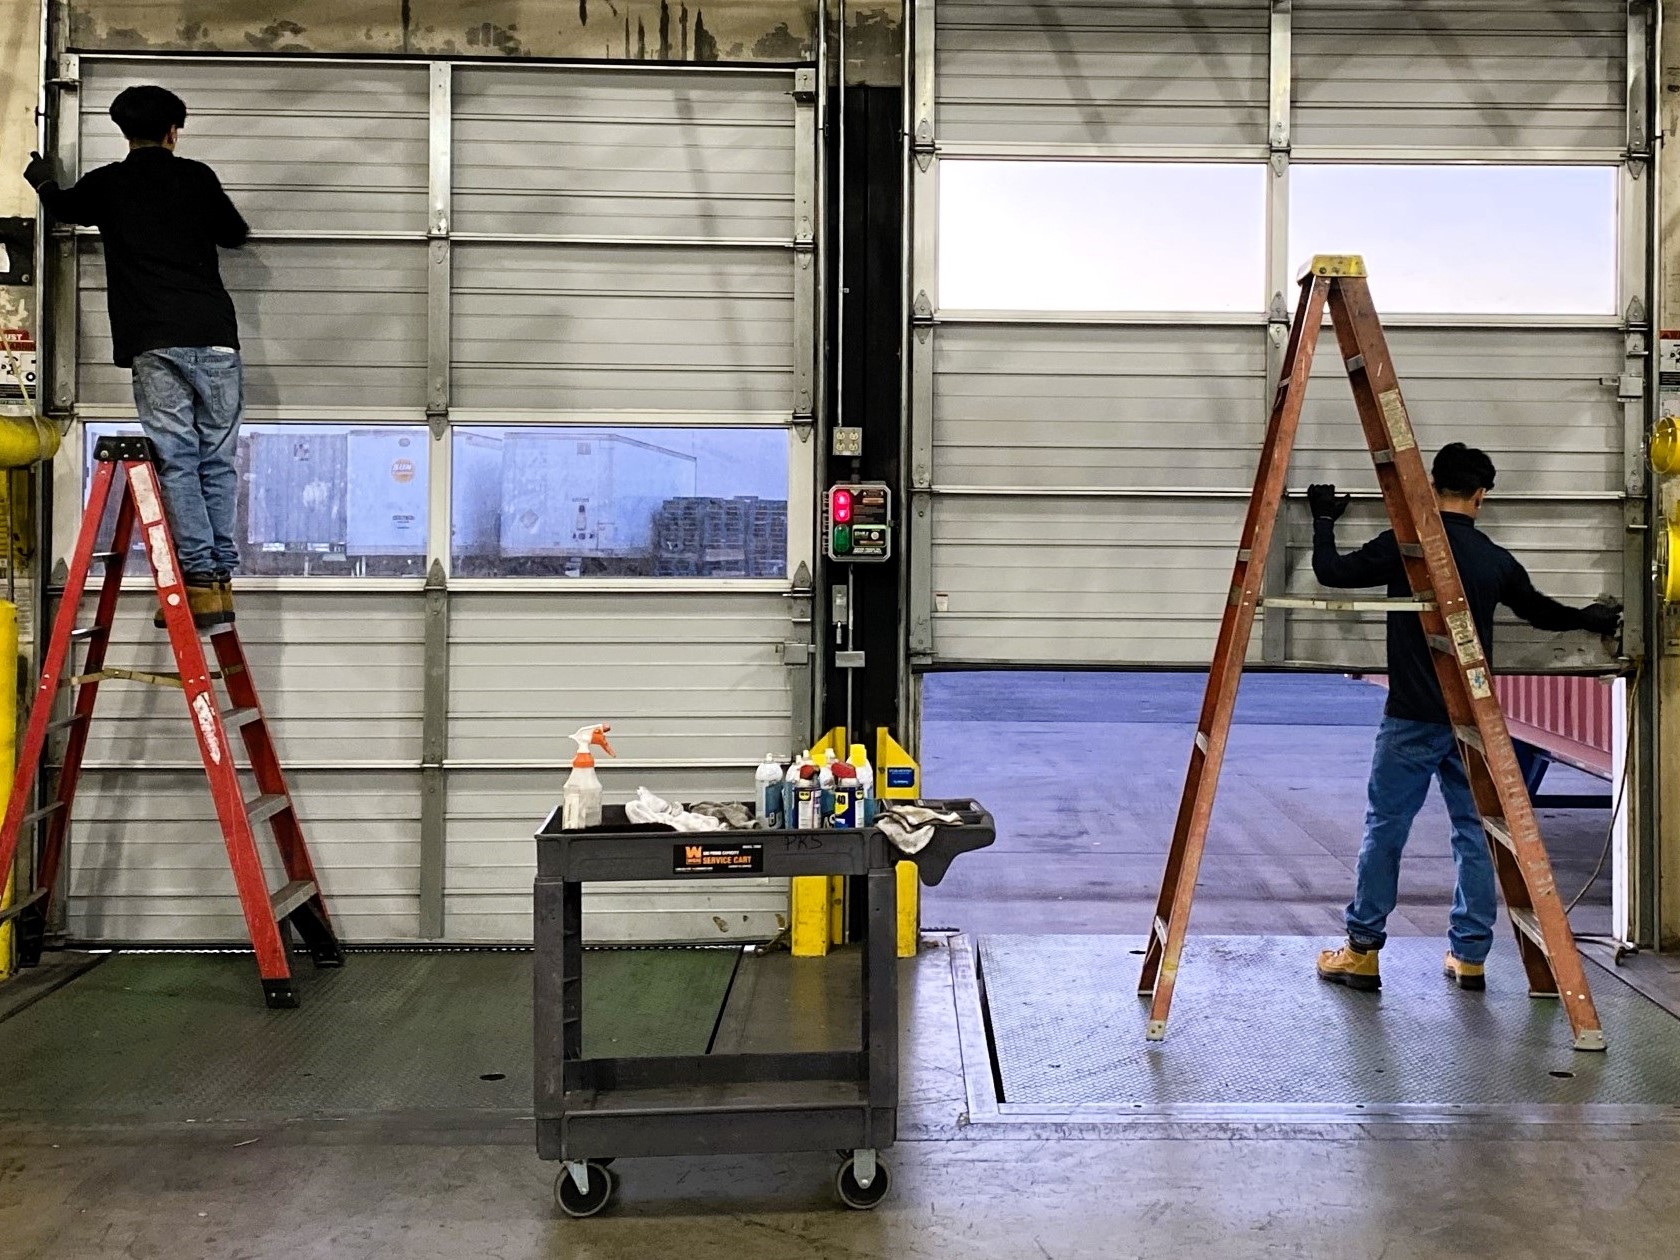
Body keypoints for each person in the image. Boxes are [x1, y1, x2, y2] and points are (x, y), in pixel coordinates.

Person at [1308, 442, 1620, 993]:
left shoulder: (1407, 548)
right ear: (1481, 495)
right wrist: (1589, 617)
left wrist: (1323, 518)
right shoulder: (1493, 559)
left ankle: (1361, 952)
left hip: (1410, 718)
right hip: (1472, 722)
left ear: (1433, 488)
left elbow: (1330, 573)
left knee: (1386, 829)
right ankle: (1469, 956)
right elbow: (1541, 613)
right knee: (1474, 833)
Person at [24, 84, 249, 628]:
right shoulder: (195, 176)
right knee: (217, 460)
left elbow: (61, 205)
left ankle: (198, 578)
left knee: (177, 459)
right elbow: (235, 234)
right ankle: (218, 581)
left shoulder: (107, 184)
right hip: (215, 336)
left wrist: (44, 177)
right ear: (174, 130)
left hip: (154, 341)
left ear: (124, 131)